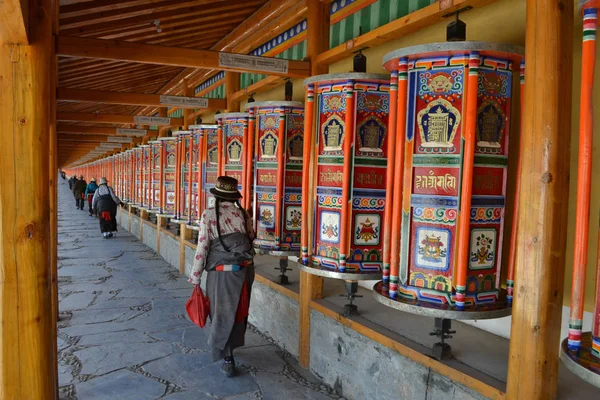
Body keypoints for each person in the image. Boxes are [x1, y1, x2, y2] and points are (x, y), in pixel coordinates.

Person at [189, 176, 255, 378]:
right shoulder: (243, 214)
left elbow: (203, 246)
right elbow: (251, 237)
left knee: (221, 313)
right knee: (238, 312)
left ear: (217, 196)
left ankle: (227, 357)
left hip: (221, 273)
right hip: (244, 272)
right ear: (234, 196)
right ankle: (231, 347)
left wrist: (196, 275)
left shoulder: (209, 215)